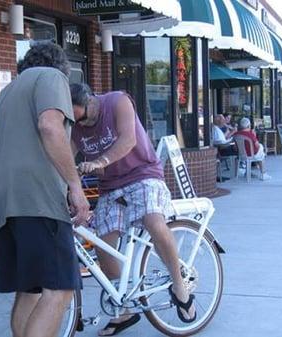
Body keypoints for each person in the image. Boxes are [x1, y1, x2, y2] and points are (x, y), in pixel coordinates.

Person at [0, 41, 91, 337]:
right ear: (63, 69)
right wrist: (75, 188)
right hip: (38, 198)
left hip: (4, 203)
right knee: (61, 290)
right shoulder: (51, 77)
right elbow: (50, 127)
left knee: (29, 291)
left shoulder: (6, 93)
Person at [69, 83, 196, 336]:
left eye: (81, 118)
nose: (79, 127)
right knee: (103, 246)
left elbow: (128, 140)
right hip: (110, 186)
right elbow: (65, 157)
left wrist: (99, 162)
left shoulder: (116, 102)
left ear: (90, 101)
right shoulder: (74, 127)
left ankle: (180, 285)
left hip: (143, 174)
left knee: (153, 220)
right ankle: (124, 310)